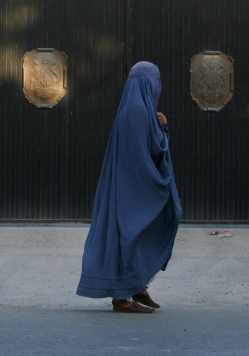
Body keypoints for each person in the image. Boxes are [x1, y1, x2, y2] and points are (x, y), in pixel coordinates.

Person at [76, 61, 182, 314]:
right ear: (149, 84)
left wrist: (158, 126)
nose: (158, 87)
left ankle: (136, 285)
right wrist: (162, 131)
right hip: (133, 188)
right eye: (156, 82)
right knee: (132, 233)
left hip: (127, 186)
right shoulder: (136, 112)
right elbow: (149, 153)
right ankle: (123, 297)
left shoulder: (137, 110)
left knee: (135, 233)